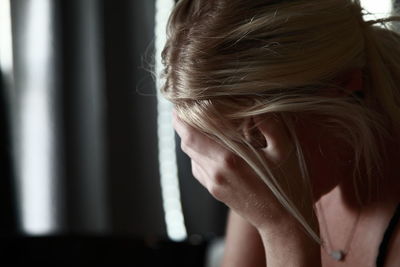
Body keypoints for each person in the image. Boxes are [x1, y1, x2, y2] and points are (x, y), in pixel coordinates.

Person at [160, 0, 400, 266]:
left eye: (259, 139)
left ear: (345, 92)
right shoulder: (255, 165)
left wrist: (285, 231)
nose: (244, 168)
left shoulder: (271, 170)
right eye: (227, 143)